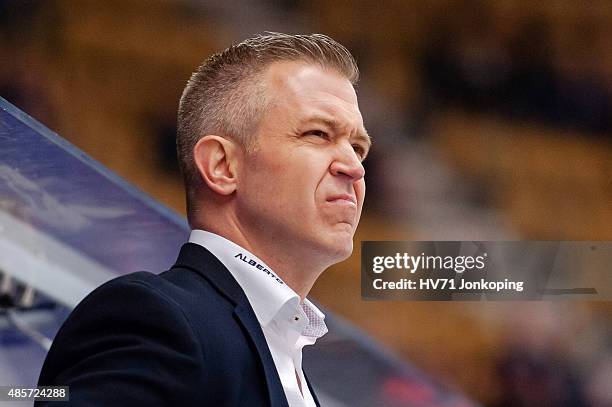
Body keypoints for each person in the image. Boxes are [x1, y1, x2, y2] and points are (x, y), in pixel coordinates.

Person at [37, 32, 370, 406]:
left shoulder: (284, 353)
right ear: (222, 166)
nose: (354, 167)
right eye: (318, 134)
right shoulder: (158, 320)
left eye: (358, 147)